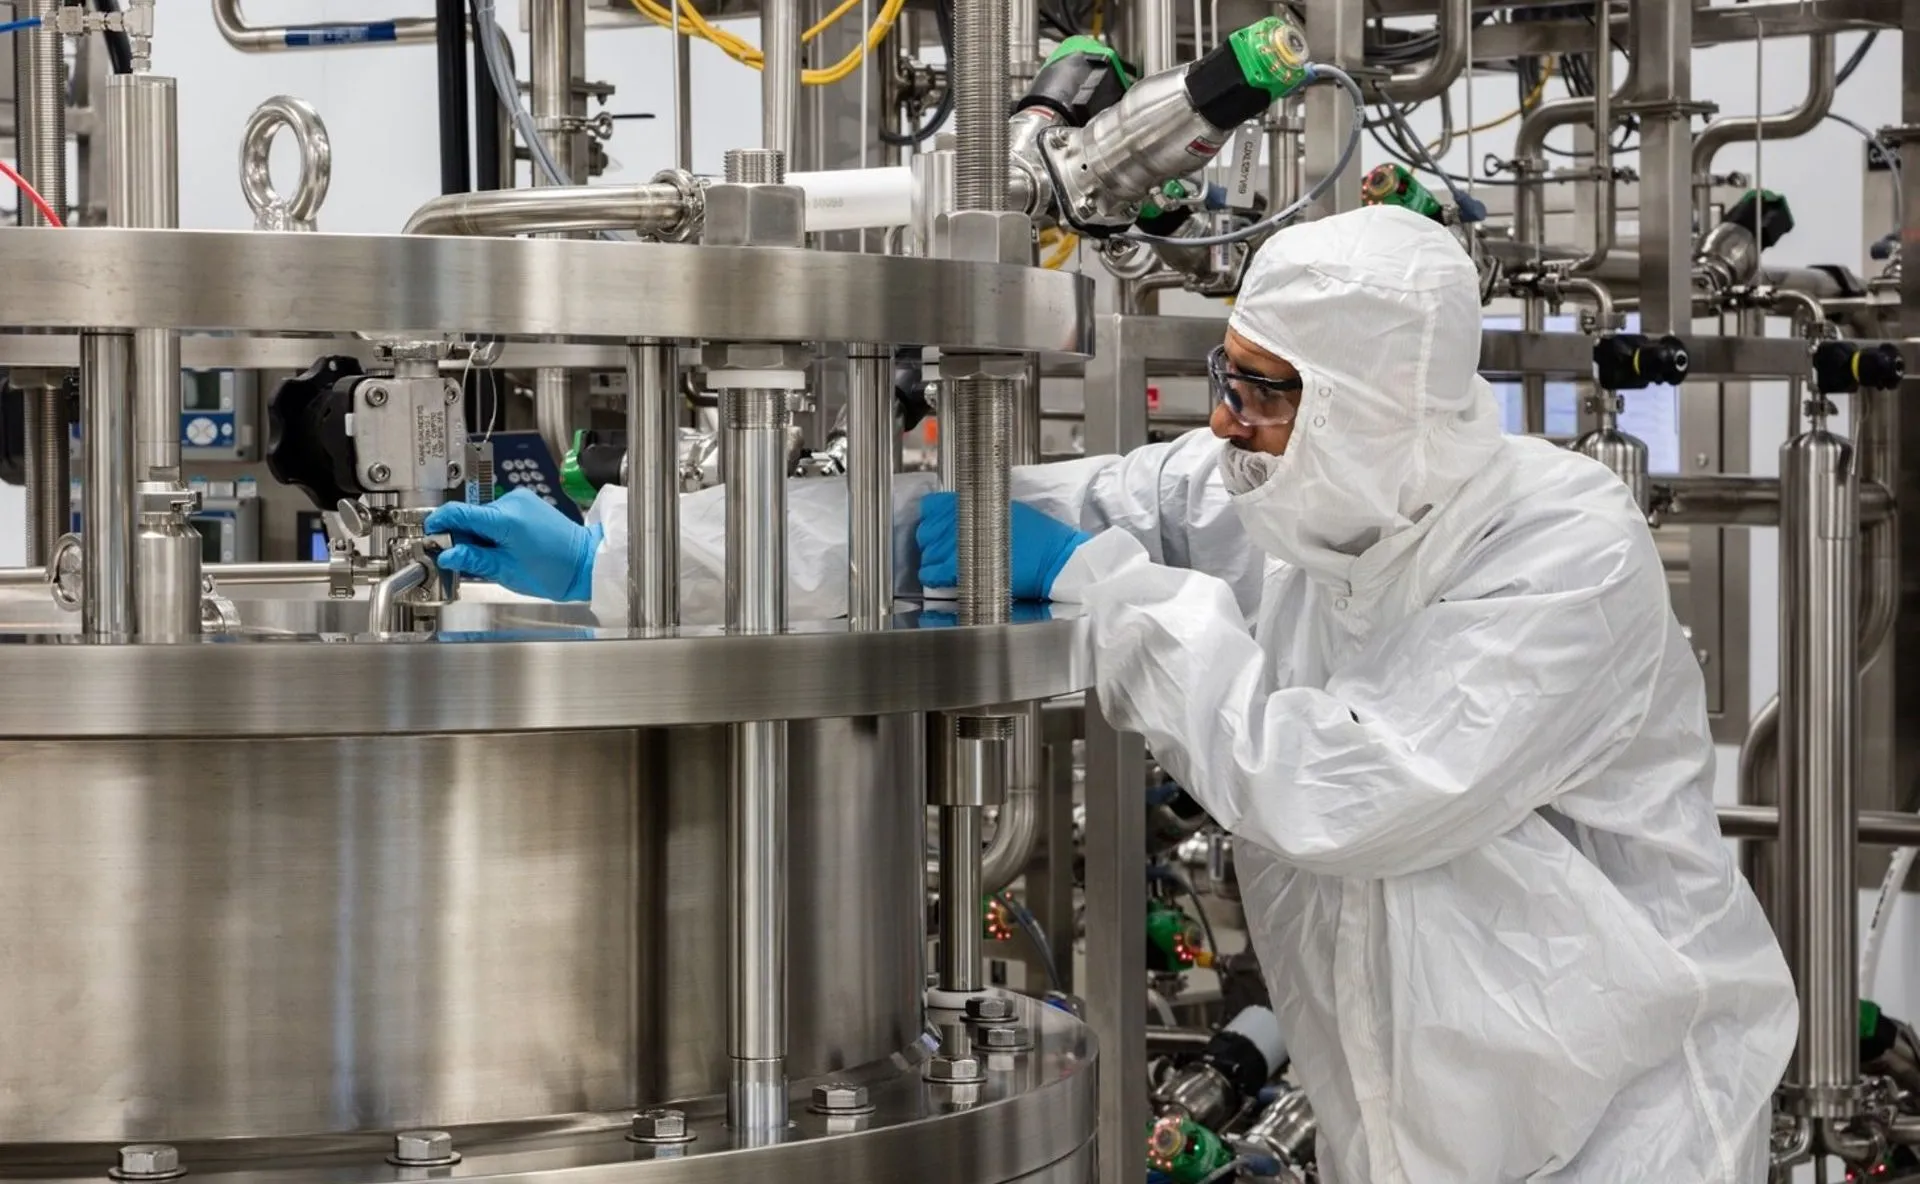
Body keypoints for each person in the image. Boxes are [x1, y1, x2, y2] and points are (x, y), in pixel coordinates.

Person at [426, 204, 1795, 1183]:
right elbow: (965, 514)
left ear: (1376, 404)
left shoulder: (1559, 551)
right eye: (1225, 378)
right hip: (1405, 1132)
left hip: (1630, 1132)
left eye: (1264, 392)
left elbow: (1342, 789)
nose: (1225, 421)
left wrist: (1103, 590)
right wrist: (627, 558)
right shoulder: (1272, 491)